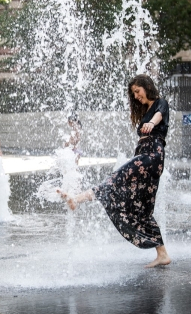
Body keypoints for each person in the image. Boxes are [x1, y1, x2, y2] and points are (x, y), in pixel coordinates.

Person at [57, 74, 171, 268]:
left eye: (138, 91)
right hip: (146, 156)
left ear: (147, 87)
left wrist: (152, 123)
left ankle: (76, 199)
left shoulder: (160, 104)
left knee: (114, 180)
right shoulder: (145, 110)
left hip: (151, 157)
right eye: (133, 93)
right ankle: (162, 254)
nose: (136, 96)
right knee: (141, 207)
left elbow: (159, 114)